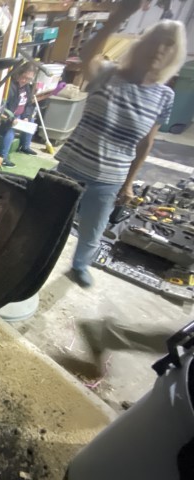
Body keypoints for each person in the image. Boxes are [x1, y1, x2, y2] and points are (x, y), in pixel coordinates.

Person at [56, 0, 187, 288]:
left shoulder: (164, 96)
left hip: (109, 179)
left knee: (93, 231)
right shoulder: (107, 74)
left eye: (169, 45)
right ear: (143, 44)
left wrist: (128, 184)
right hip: (71, 167)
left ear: (174, 55)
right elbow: (86, 53)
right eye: (157, 41)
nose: (161, 49)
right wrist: (121, 14)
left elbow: (146, 142)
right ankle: (31, 260)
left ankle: (80, 265)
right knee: (46, 222)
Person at [0, 63, 39, 168]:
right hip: (9, 117)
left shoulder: (27, 88)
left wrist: (26, 116)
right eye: (24, 77)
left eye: (28, 79)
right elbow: (3, 106)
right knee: (10, 130)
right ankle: (3, 157)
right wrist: (11, 118)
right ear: (19, 73)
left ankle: (25, 146)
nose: (25, 80)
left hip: (20, 115)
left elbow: (28, 104)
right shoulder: (10, 86)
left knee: (31, 121)